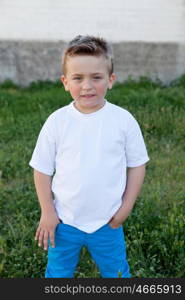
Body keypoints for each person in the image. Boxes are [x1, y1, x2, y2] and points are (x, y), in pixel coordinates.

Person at [29, 35, 149, 278]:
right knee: (58, 273)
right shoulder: (57, 121)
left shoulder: (123, 120)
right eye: (78, 78)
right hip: (64, 220)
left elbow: (137, 165)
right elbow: (42, 169)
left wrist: (126, 207)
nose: (87, 86)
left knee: (116, 273)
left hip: (108, 220)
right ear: (65, 82)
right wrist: (48, 212)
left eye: (96, 77)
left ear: (111, 80)